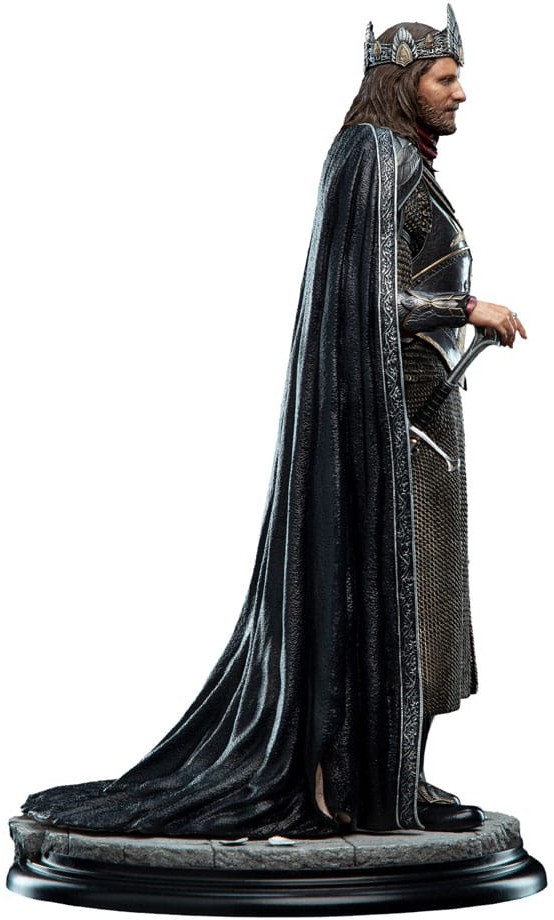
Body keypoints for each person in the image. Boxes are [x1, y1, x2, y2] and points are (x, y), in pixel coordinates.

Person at [22, 5, 525, 838]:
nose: (461, 93)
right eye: (445, 78)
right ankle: (340, 783)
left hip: (422, 415)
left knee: (430, 599)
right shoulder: (373, 156)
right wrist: (470, 307)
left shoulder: (398, 158)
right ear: (405, 83)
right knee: (384, 590)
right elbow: (368, 296)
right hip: (388, 423)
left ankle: (395, 774)